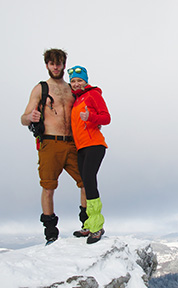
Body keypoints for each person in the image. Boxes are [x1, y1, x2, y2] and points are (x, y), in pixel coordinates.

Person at [21, 49, 87, 245]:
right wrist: (30, 118)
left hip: (73, 142)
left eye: (59, 63)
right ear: (47, 65)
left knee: (85, 182)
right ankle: (51, 233)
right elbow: (23, 118)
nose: (56, 67)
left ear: (64, 65)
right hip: (50, 142)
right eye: (52, 63)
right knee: (48, 187)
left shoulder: (71, 88)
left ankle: (87, 224)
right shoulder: (40, 89)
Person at [68, 65, 111, 244]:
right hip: (81, 147)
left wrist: (91, 118)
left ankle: (97, 226)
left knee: (89, 181)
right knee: (85, 183)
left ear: (86, 81)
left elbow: (106, 118)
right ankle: (88, 224)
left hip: (94, 145)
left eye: (80, 80)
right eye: (73, 81)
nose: (76, 84)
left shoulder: (93, 94)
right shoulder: (76, 100)